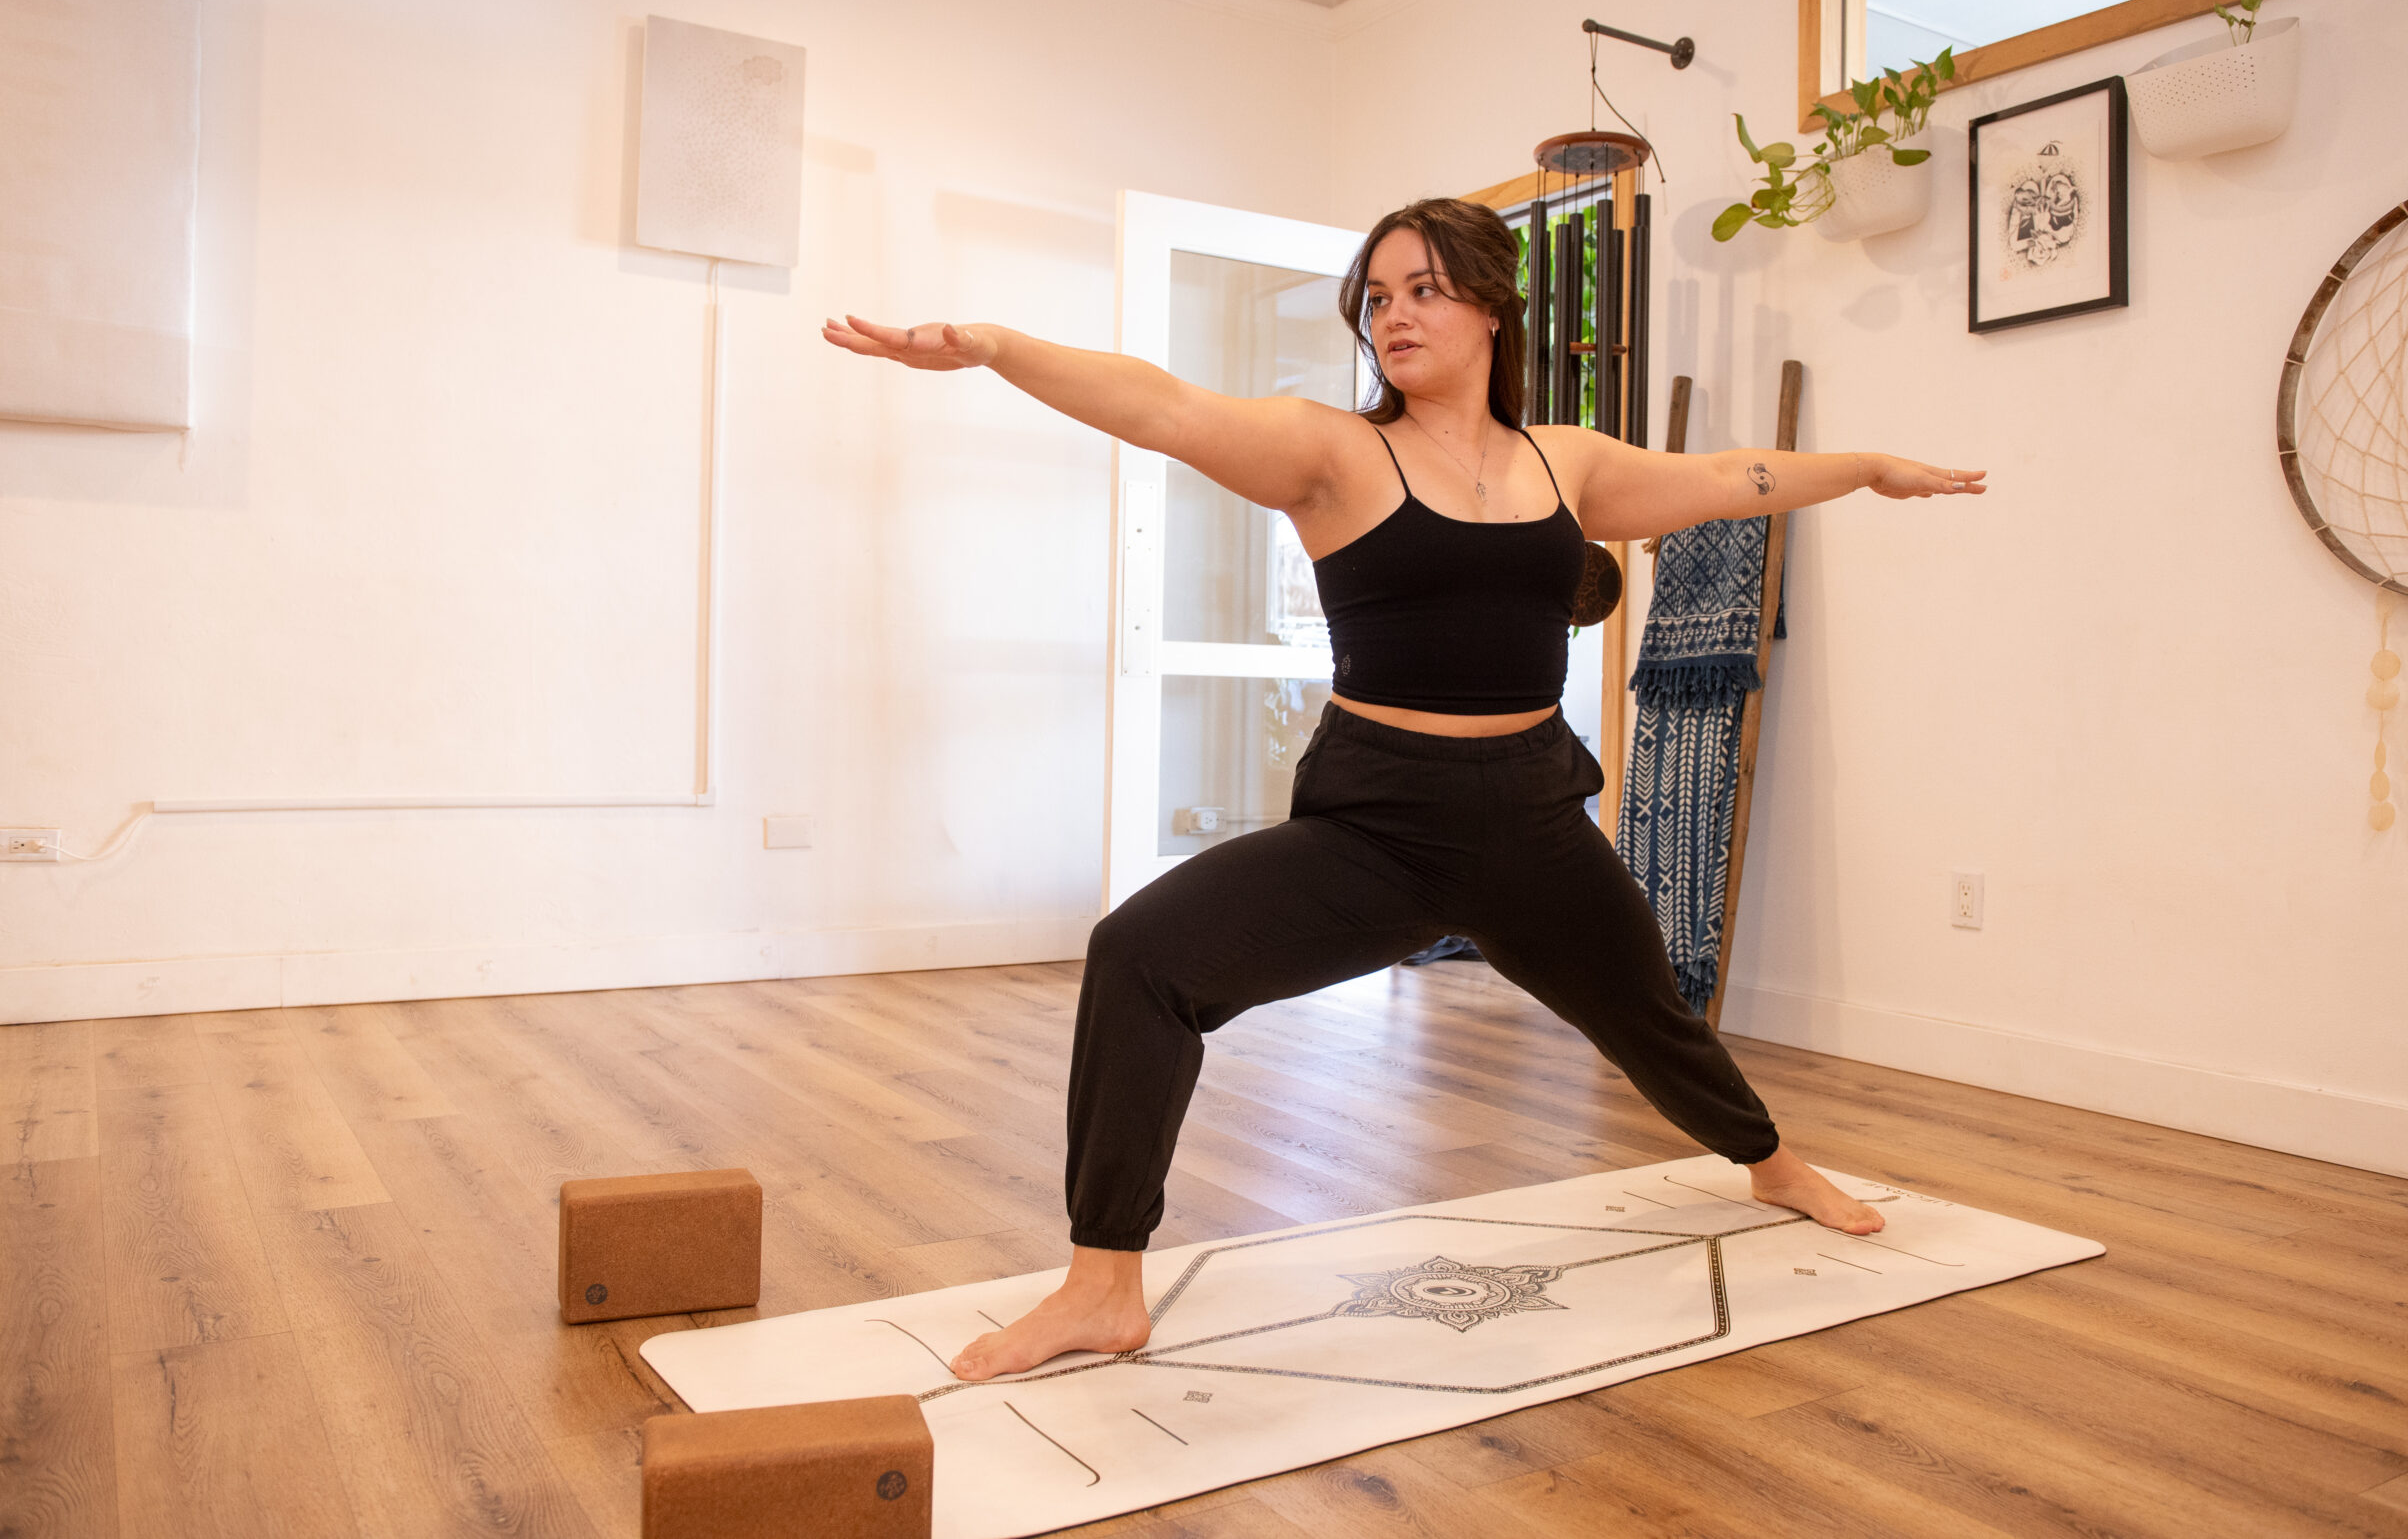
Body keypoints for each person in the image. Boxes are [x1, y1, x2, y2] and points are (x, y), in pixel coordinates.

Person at [821, 197, 1986, 1381]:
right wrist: (994, 347)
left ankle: (1773, 1166)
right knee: (1142, 955)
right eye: (1377, 297)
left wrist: (1866, 468)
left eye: (1423, 287)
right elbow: (1164, 406)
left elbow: (1731, 475)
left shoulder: (1565, 460)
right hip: (1377, 825)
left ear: (1489, 306)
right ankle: (1101, 1284)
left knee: (1650, 1012)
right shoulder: (1332, 453)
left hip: (1531, 815)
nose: (1394, 314)